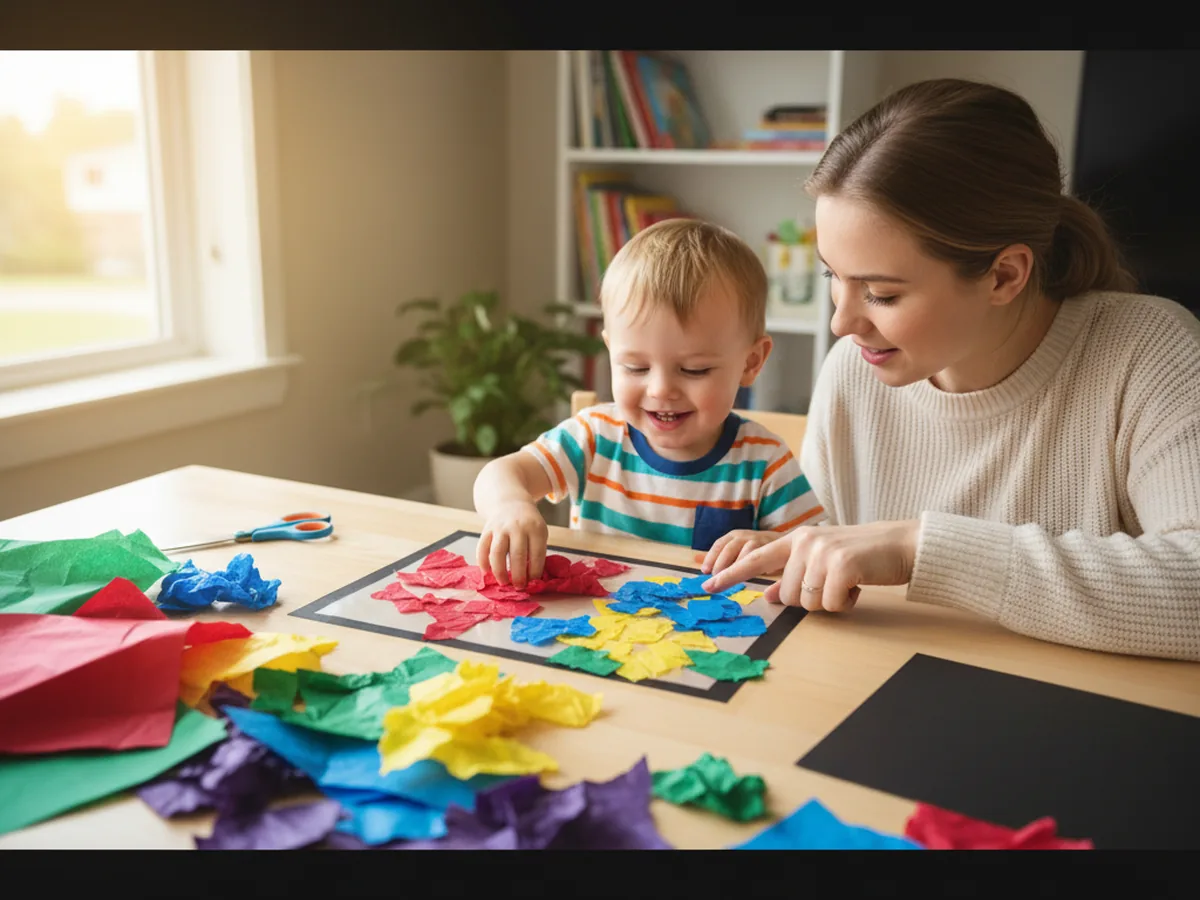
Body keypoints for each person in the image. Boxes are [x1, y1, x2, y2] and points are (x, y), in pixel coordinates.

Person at [701, 77, 1200, 663]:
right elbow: (836, 552)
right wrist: (798, 554)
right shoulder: (853, 373)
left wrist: (920, 547)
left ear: (1005, 275)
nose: (842, 323)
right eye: (831, 275)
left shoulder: (1152, 350)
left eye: (882, 294)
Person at [473, 218, 825, 586]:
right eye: (635, 367)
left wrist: (773, 545)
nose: (660, 390)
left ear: (751, 362)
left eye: (694, 369)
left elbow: (817, 551)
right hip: (595, 628)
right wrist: (510, 505)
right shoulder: (592, 438)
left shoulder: (764, 463)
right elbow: (498, 474)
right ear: (611, 353)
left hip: (709, 637)